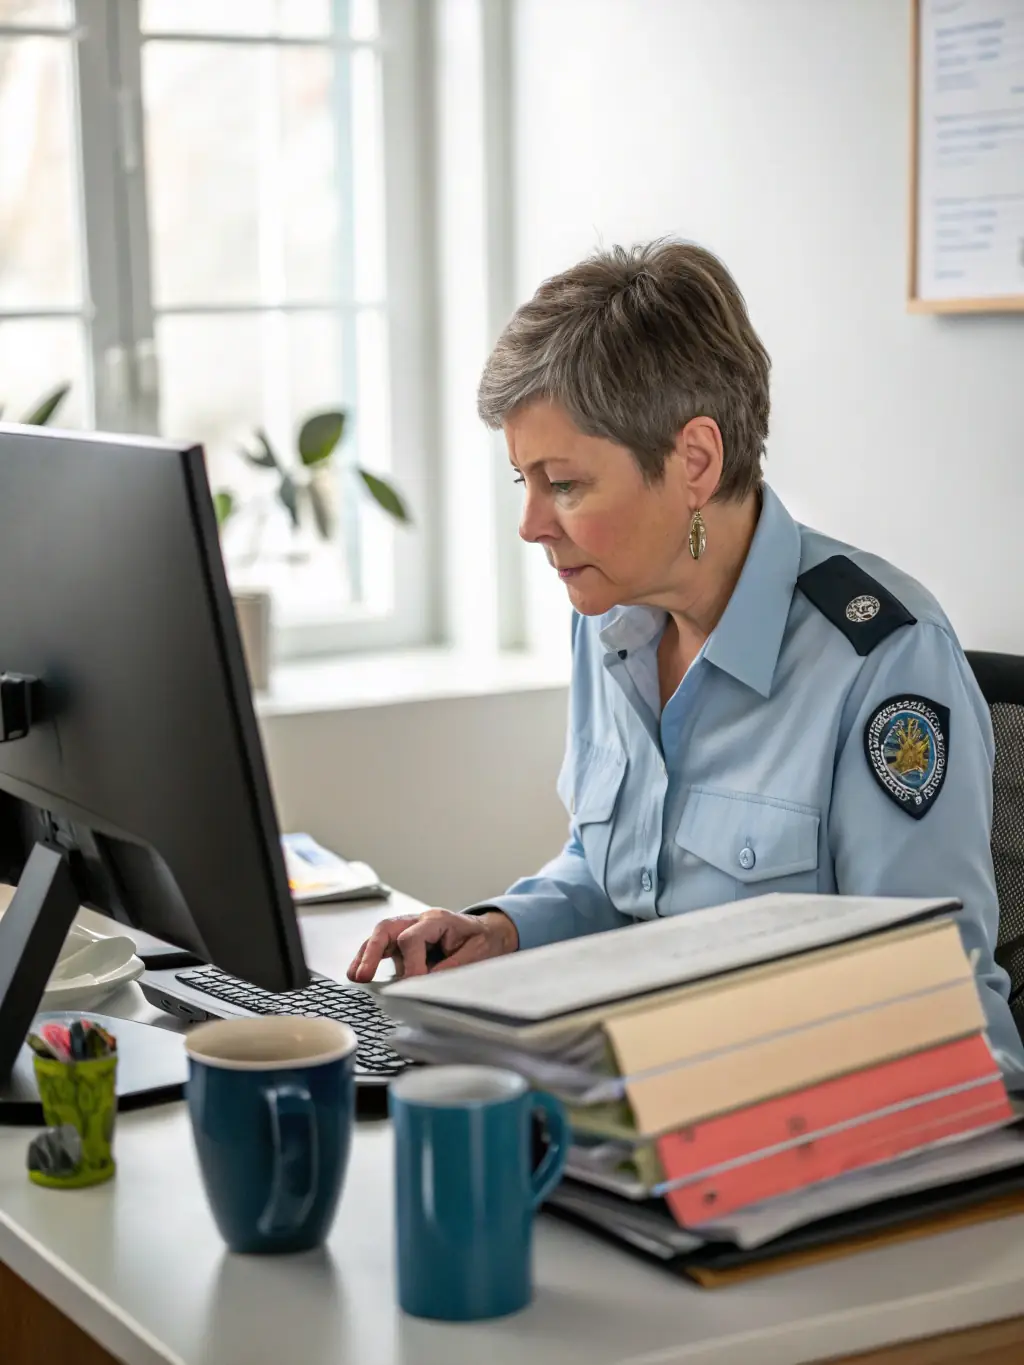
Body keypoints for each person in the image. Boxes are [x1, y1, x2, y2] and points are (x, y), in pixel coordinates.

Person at [348, 238, 1024, 1072]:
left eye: (563, 483)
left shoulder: (883, 660)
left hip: (806, 1135)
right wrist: (505, 930)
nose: (531, 523)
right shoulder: (610, 619)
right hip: (640, 1097)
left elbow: (934, 1016)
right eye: (521, 480)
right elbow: (625, 881)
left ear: (695, 460)